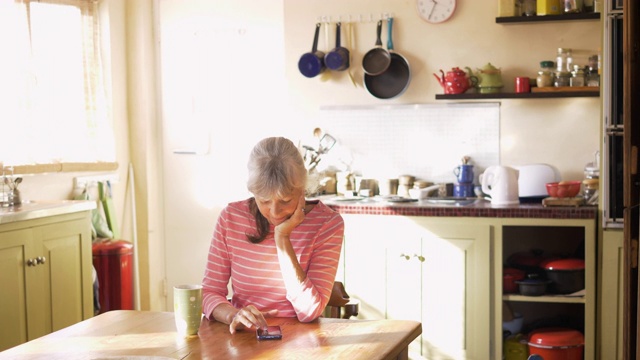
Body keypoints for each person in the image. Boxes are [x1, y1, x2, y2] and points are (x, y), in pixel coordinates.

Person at [202, 136, 345, 334]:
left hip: (303, 341)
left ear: (302, 189)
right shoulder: (231, 218)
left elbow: (309, 311)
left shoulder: (327, 225)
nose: (275, 212)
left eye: (286, 200)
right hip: (243, 338)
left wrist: (282, 238)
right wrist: (233, 315)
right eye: (264, 201)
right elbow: (209, 293)